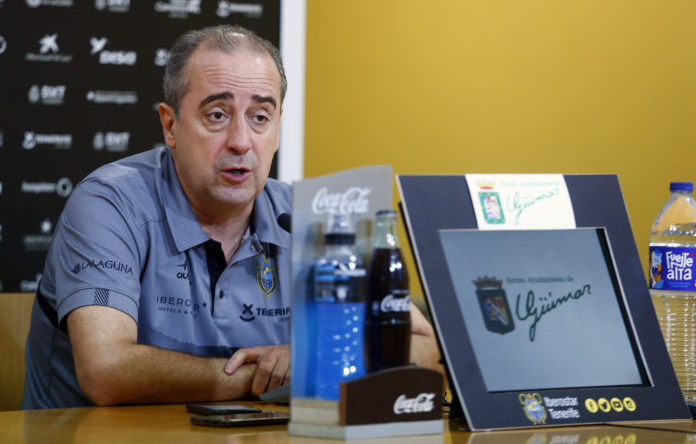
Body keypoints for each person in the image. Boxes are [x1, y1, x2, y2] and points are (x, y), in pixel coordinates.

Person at [21, 25, 441, 409]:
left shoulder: (309, 216)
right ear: (170, 125)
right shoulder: (109, 202)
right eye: (217, 115)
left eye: (260, 118)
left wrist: (313, 358)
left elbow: (426, 345)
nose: (241, 141)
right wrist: (273, 377)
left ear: (277, 128)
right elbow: (107, 372)